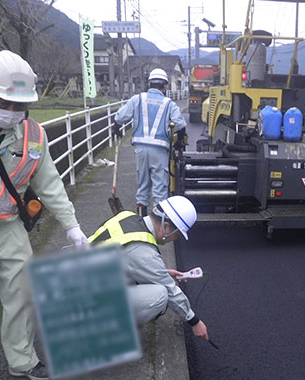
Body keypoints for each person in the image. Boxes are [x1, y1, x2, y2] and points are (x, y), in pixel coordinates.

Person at [0, 50, 89, 380]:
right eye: (4, 102)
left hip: (9, 227)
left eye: (19, 105)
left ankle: (23, 360)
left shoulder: (34, 134)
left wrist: (72, 225)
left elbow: (49, 181)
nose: (11, 111)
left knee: (23, 293)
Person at [88, 195, 209, 341]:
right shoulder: (143, 250)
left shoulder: (128, 217)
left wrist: (162, 273)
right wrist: (194, 321)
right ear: (166, 226)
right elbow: (170, 290)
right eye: (177, 235)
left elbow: (130, 261)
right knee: (161, 294)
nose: (175, 239)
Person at [113, 68, 187, 217]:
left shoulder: (137, 99)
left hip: (140, 149)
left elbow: (120, 117)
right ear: (165, 86)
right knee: (160, 187)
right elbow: (180, 124)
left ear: (149, 84)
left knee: (143, 184)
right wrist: (179, 141)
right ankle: (159, 222)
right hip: (159, 150)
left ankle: (141, 219)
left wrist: (116, 128)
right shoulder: (169, 103)